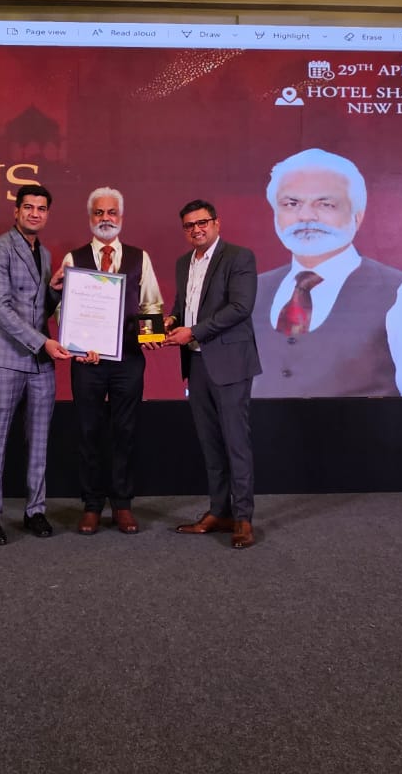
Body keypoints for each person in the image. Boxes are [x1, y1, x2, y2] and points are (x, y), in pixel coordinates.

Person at [253, 148, 402, 398]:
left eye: (325, 204)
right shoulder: (248, 292)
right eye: (291, 204)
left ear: (357, 217)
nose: (305, 216)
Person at [50, 187, 163, 535]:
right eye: (99, 212)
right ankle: (91, 505)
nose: (105, 218)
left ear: (121, 217)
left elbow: (151, 304)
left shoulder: (139, 257)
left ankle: (123, 504)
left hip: (128, 359)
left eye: (111, 212)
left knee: (125, 431)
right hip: (87, 362)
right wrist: (77, 344)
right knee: (89, 432)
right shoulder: (73, 259)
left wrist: (151, 337)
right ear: (90, 218)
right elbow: (61, 308)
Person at [156, 199, 261, 550]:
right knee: (210, 442)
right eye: (189, 225)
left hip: (229, 362)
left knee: (235, 442)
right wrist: (171, 320)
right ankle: (219, 511)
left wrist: (194, 331)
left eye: (202, 222)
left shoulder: (239, 257)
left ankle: (243, 518)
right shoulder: (183, 262)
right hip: (197, 362)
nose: (196, 229)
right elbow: (183, 306)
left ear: (216, 223)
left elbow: (240, 307)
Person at [0, 184, 71, 546]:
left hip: (40, 359)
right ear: (16, 211)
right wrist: (42, 341)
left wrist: (56, 289)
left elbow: (39, 308)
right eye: (28, 207)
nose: (35, 213)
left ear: (47, 214)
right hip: (3, 357)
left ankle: (35, 510)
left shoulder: (44, 253)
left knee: (40, 438)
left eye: (41, 208)